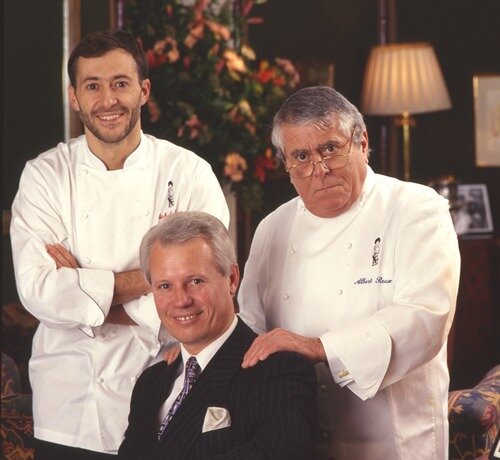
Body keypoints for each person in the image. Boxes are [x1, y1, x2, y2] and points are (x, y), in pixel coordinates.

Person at [10, 29, 229, 459]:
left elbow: (207, 291)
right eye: (93, 86)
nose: (108, 100)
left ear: (143, 90)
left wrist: (81, 292)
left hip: (170, 394)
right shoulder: (45, 176)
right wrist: (159, 282)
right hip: (70, 408)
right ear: (75, 97)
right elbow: (38, 291)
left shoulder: (189, 173)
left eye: (120, 84)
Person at [237, 86, 461, 460]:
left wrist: (317, 347)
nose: (319, 170)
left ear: (362, 142)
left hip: (394, 441)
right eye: (302, 157)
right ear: (286, 165)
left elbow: (425, 316)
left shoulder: (416, 209)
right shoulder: (271, 228)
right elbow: (251, 327)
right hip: (300, 439)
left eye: (330, 149)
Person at [118, 211, 316, 459]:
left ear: (232, 279)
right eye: (165, 286)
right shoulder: (151, 382)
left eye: (196, 281)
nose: (181, 300)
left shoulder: (278, 370)